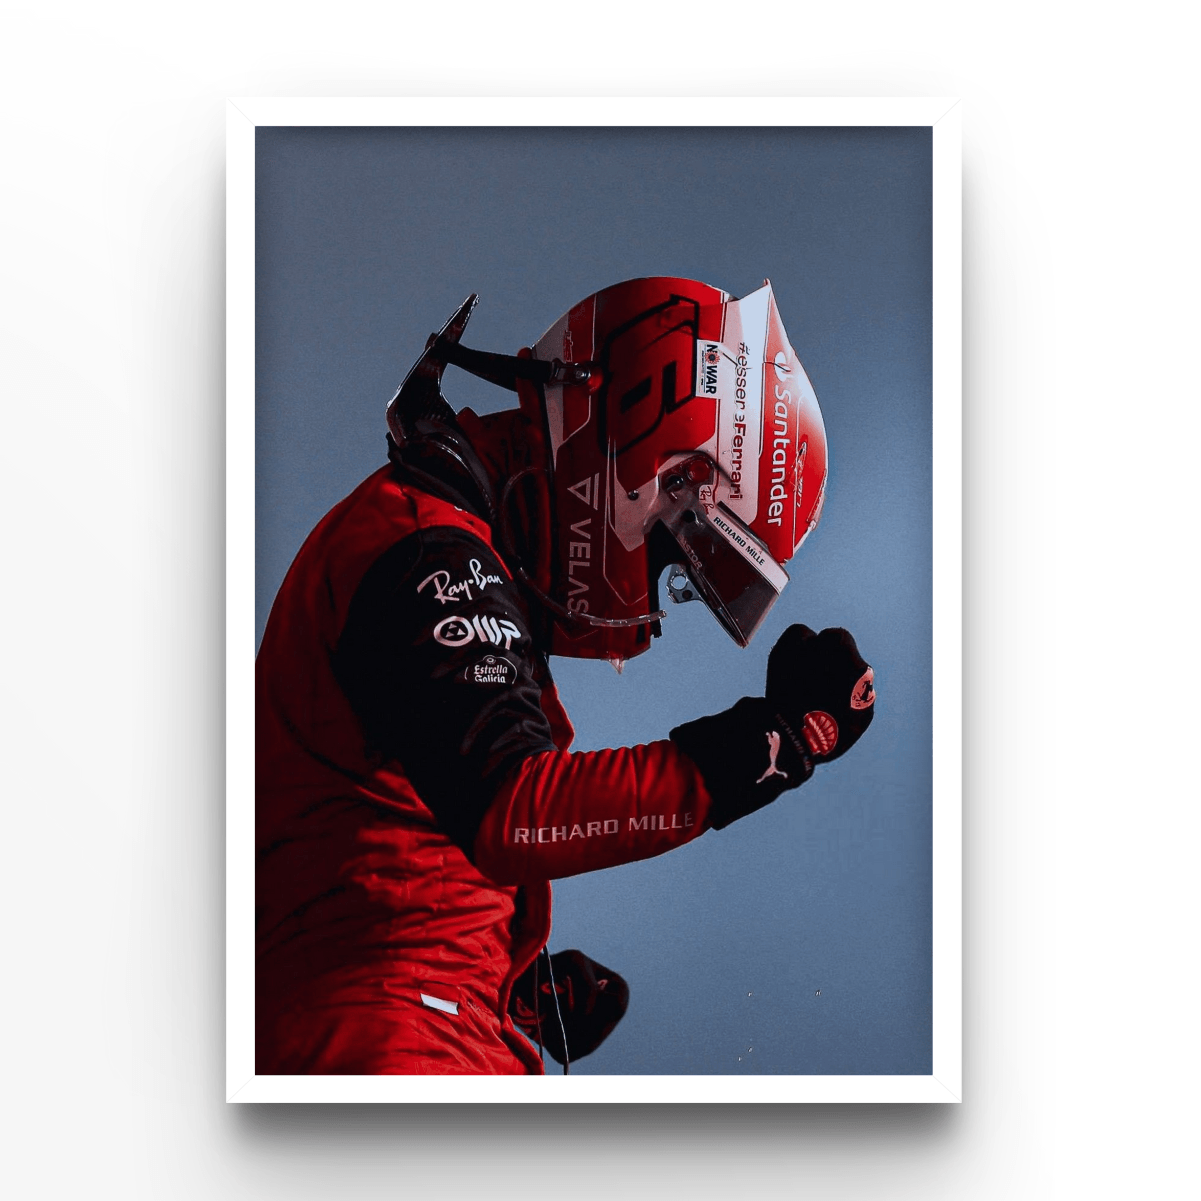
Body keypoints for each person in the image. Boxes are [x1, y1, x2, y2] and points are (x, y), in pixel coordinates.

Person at [256, 276, 876, 1074]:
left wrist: (509, 976)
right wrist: (770, 743)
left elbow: (373, 838)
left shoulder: (438, 538)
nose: (653, 597)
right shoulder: (428, 552)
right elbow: (510, 810)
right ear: (643, 466)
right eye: (673, 553)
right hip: (396, 1033)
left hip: (412, 1017)